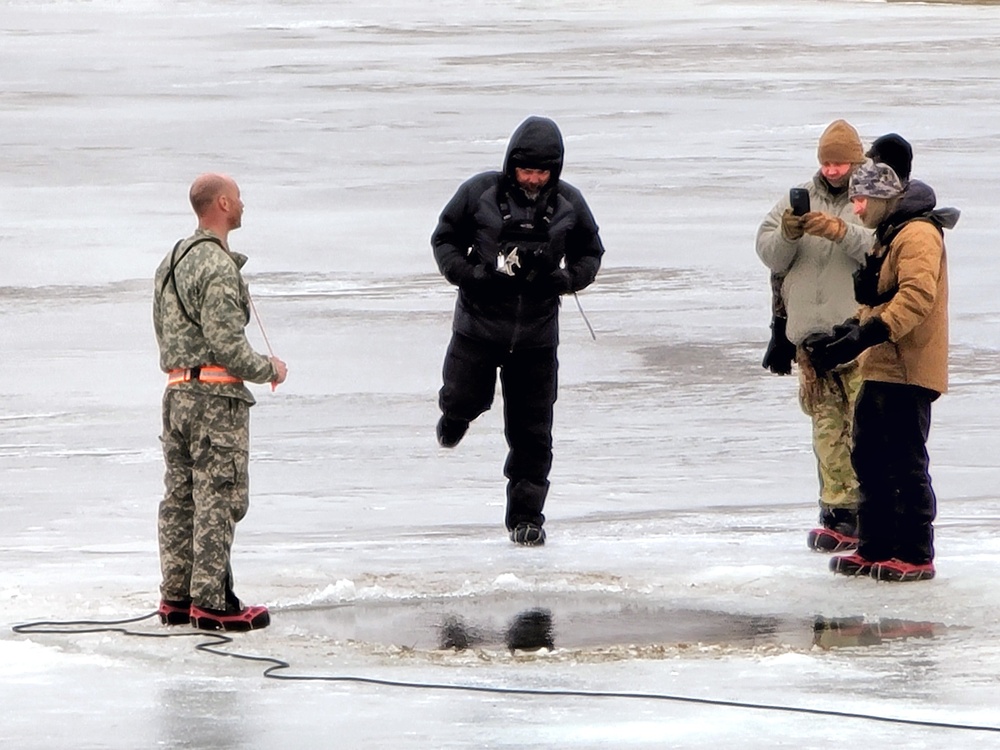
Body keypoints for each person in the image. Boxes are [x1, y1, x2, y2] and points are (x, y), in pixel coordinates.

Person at [432, 115, 604, 546]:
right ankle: (456, 417)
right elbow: (444, 239)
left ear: (555, 171)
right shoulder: (479, 192)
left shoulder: (569, 203)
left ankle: (527, 517)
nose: (533, 178)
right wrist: (473, 274)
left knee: (532, 432)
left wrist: (564, 280)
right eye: (526, 170)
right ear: (511, 165)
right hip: (477, 326)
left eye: (542, 171)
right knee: (463, 396)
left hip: (536, 338)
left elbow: (590, 253)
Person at [806, 155, 958, 582]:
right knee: (868, 455)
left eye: (859, 200)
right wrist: (843, 333)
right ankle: (874, 545)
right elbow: (877, 299)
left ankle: (913, 552)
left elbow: (915, 297)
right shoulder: (888, 234)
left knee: (903, 461)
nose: (854, 209)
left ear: (880, 198)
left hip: (908, 367)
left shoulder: (918, 234)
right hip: (881, 366)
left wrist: (868, 334)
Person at [153, 173, 288, 630]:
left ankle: (177, 596)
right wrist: (270, 368)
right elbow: (227, 344)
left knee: (181, 497)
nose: (244, 205)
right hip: (214, 400)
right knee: (218, 496)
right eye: (240, 199)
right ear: (224, 204)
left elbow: (164, 330)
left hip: (176, 395)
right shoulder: (215, 265)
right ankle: (212, 603)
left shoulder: (171, 260)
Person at [756, 120, 873, 553]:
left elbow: (880, 247)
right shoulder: (795, 198)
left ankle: (868, 509)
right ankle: (836, 511)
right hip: (811, 338)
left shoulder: (869, 197)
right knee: (826, 429)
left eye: (840, 162)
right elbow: (768, 253)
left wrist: (839, 231)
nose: (833, 170)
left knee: (862, 426)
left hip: (860, 337)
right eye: (827, 161)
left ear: (855, 160)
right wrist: (789, 232)